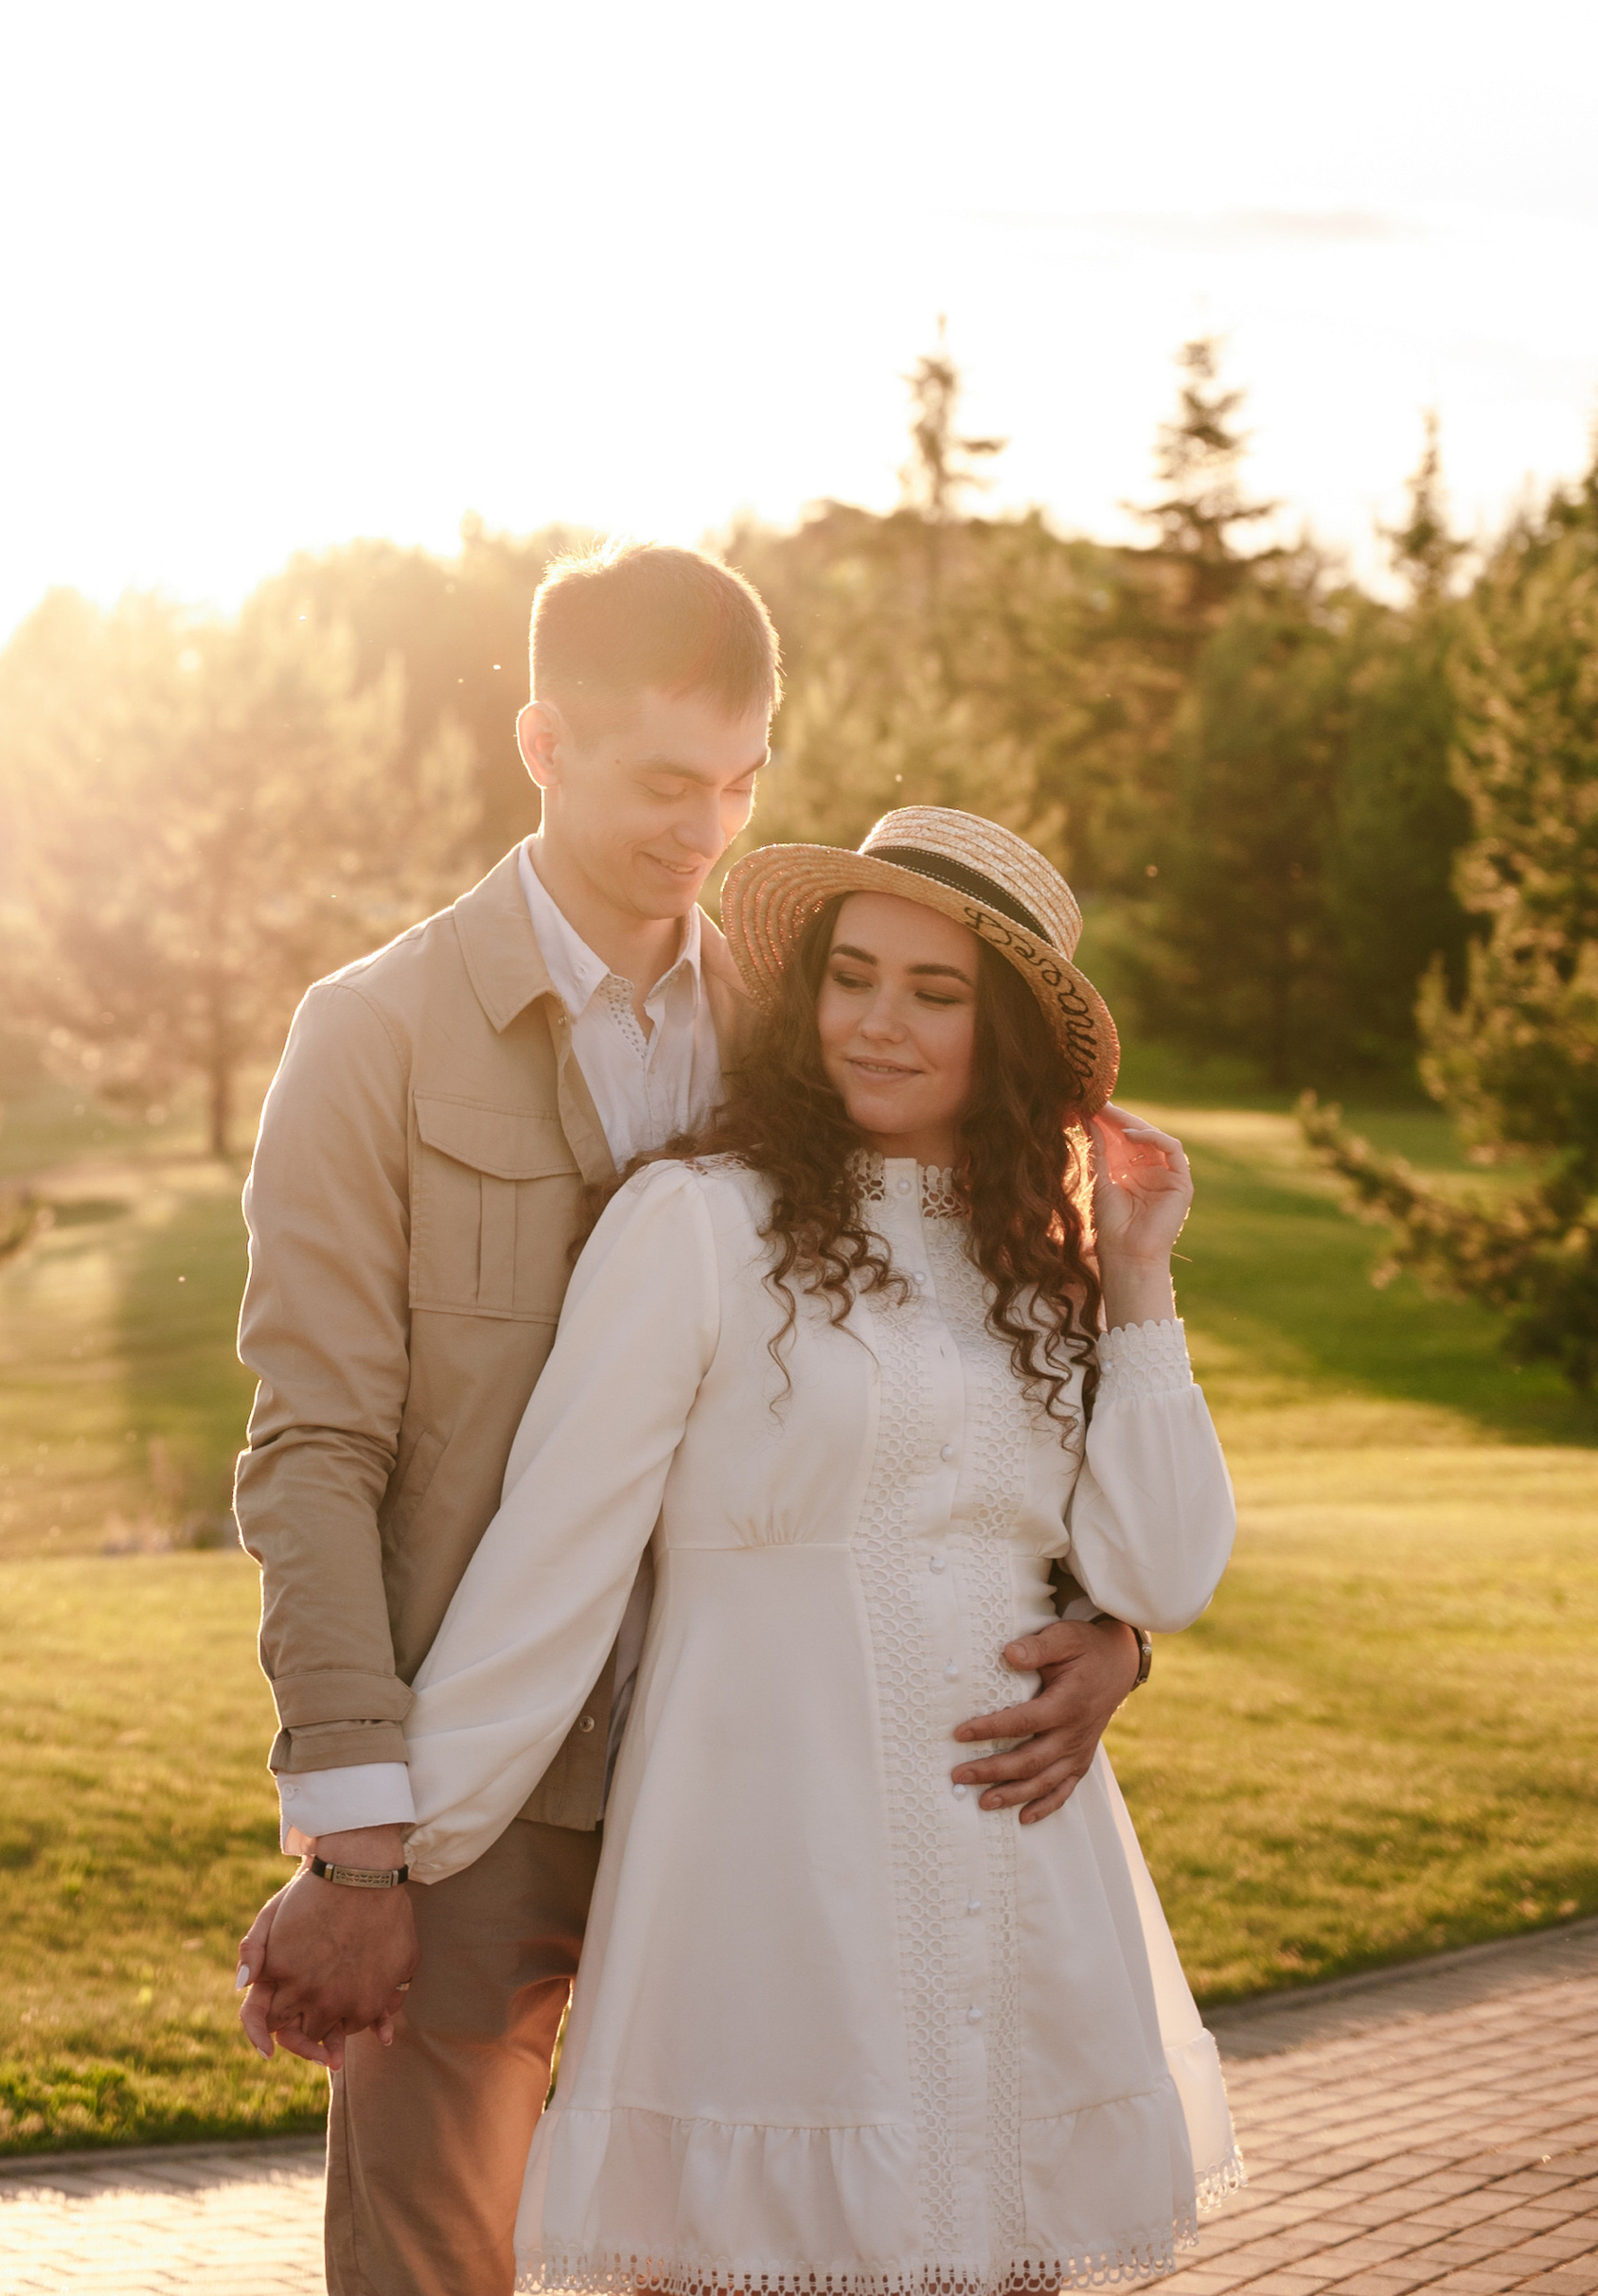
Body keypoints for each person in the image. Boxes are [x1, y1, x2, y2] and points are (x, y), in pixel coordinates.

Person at [232, 549, 1147, 2296]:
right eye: (666, 783)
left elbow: (961, 1373)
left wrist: (1114, 1631)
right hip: (481, 1797)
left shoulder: (802, 1036)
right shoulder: (375, 1038)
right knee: (436, 2264)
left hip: (769, 1794)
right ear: (543, 741)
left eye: (741, 782)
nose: (706, 830)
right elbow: (316, 1448)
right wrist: (359, 1839)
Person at [396, 804, 1240, 2296]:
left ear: (1008, 1042)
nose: (879, 1022)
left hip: (1020, 1881)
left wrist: (1139, 1272)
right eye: (854, 975)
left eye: (935, 991)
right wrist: (385, 1850)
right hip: (765, 1882)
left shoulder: (1041, 1269)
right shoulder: (697, 1225)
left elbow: (1159, 1571)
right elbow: (553, 1569)